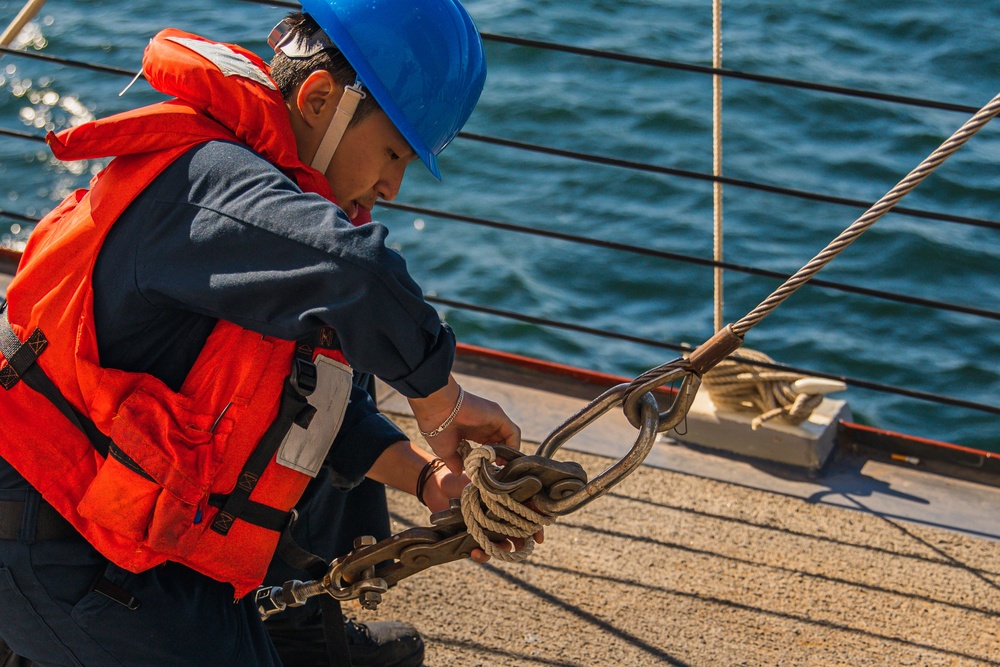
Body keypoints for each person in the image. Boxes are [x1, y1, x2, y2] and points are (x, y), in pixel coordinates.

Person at [0, 0, 522, 665]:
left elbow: (318, 407)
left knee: (346, 354)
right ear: (318, 97)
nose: (392, 184)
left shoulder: (272, 209)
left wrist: (427, 481)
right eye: (392, 151)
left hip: (141, 536)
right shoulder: (209, 185)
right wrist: (440, 399)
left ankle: (295, 627)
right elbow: (357, 272)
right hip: (53, 542)